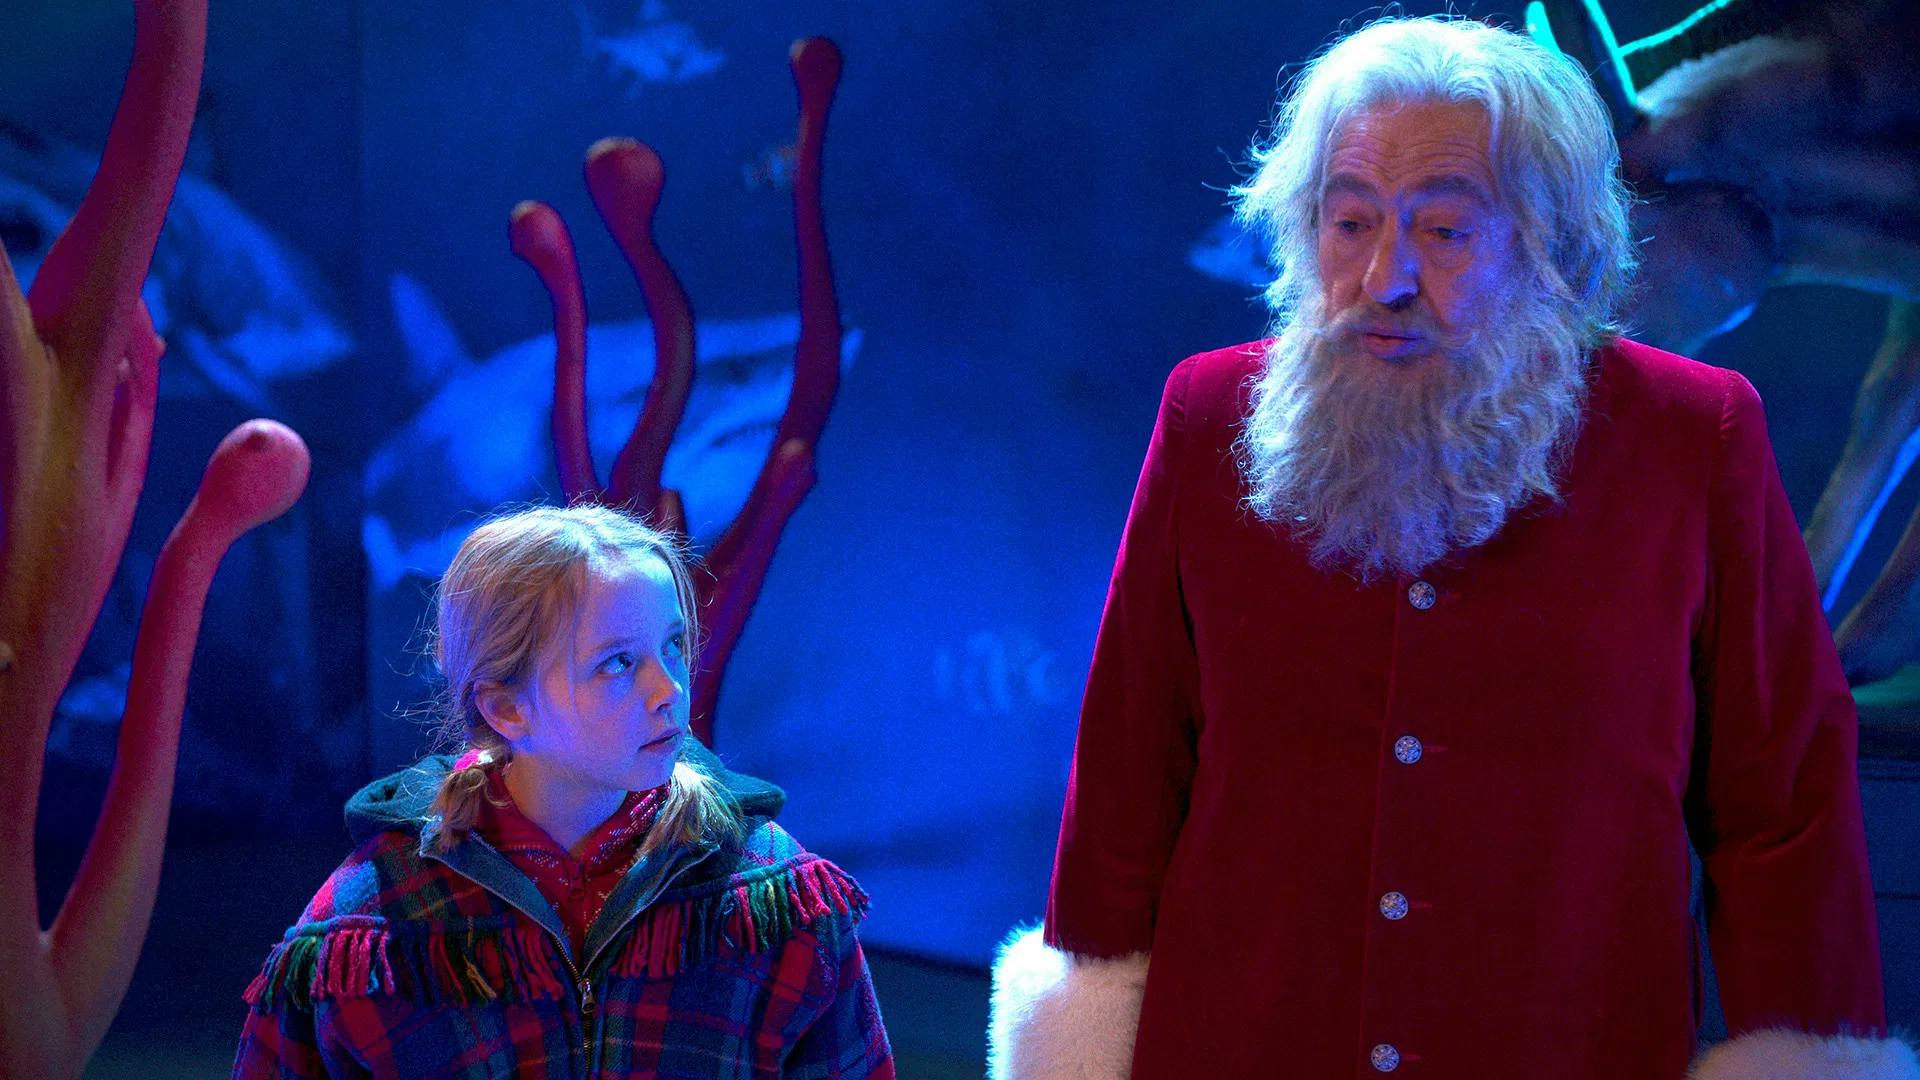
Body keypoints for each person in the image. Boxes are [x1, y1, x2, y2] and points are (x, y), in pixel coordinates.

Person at [989, 15, 1912, 1079]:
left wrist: (1802, 1047)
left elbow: (1781, 806)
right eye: (1349, 222)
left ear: (1553, 243)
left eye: (1444, 230)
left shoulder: (1694, 436)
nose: (1384, 275)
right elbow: (1129, 765)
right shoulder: (1211, 414)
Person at [235, 504, 892, 1077]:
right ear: (506, 709)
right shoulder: (373, 922)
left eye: (673, 645)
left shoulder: (771, 891)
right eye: (617, 663)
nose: (669, 690)